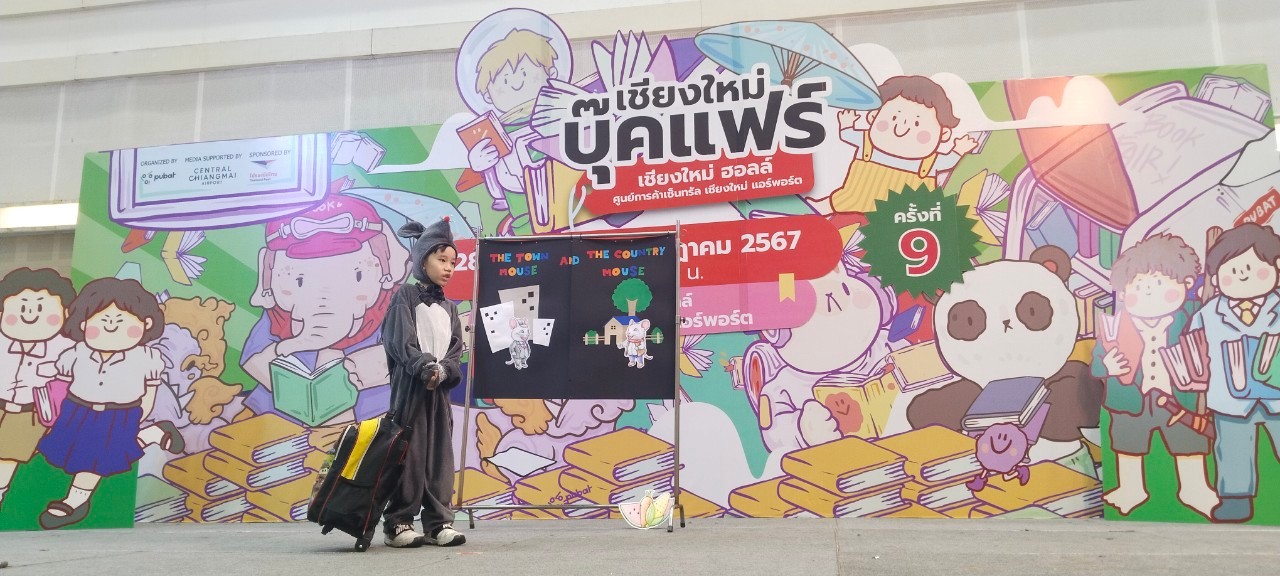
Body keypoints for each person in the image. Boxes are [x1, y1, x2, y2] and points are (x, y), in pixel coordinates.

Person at [1092, 234, 1217, 518]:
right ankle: (1131, 488)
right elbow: (1098, 361)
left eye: (1160, 286)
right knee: (1127, 442)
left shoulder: (1194, 317)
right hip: (1131, 399)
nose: (1149, 295)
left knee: (1188, 442)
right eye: (1138, 288)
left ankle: (1194, 488)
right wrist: (1106, 366)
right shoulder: (1115, 326)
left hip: (1179, 397)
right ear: (1123, 293)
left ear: (1187, 284)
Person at [381, 217, 467, 547]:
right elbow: (399, 340)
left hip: (439, 393)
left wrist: (444, 370)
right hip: (411, 392)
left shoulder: (450, 308)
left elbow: (456, 349)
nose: (448, 268)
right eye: (441, 260)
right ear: (422, 259)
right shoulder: (405, 296)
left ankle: (437, 523)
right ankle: (398, 522)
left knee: (439, 457)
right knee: (409, 455)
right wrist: (424, 366)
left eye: (453, 263)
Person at [0, 268, 77, 513]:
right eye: (21, 308)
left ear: (65, 313)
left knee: (8, 456)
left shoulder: (67, 348)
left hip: (29, 412)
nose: (30, 315)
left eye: (42, 308)